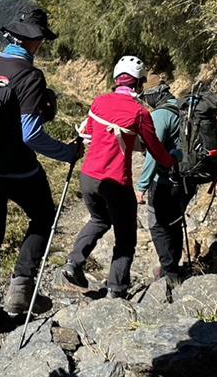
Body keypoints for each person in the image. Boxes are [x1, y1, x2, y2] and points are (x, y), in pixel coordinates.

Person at [0, 8, 79, 334]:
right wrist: (68, 152)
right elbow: (29, 133)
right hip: (17, 168)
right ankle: (20, 286)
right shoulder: (30, 76)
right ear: (36, 41)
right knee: (44, 216)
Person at [61, 56, 178, 298]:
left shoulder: (99, 102)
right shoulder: (140, 112)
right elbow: (154, 148)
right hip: (116, 183)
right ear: (138, 83)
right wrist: (170, 162)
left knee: (99, 220)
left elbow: (91, 133)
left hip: (89, 177)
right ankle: (116, 288)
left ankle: (73, 262)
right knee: (126, 237)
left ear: (116, 80)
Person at [136, 78, 188, 286]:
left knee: (157, 225)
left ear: (153, 94)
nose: (145, 101)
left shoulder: (160, 114)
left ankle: (169, 272)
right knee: (174, 222)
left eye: (145, 97)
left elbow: (152, 153)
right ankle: (173, 266)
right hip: (185, 177)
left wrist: (141, 186)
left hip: (165, 180)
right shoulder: (181, 107)